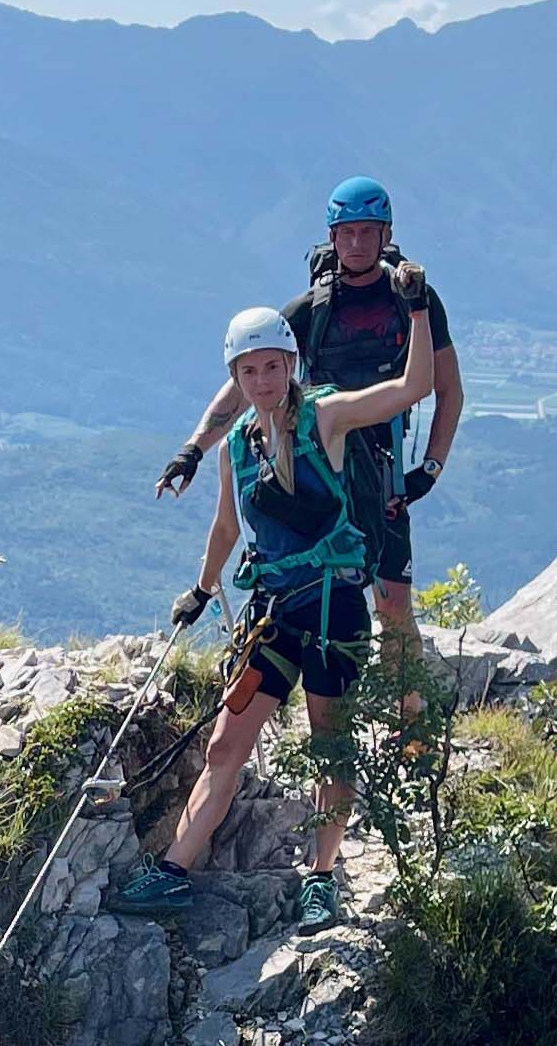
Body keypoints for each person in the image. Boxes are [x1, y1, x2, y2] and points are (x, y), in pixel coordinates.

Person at [109, 300, 435, 934]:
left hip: (335, 610)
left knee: (328, 744)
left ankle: (320, 876)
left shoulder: (328, 418)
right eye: (248, 371)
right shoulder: (237, 445)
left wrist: (417, 311)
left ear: (291, 364)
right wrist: (201, 591)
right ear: (236, 378)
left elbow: (412, 387)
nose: (261, 381)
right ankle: (174, 872)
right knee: (227, 742)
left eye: (271, 367)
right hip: (276, 614)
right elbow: (228, 526)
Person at [162, 176, 464, 690]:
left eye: (367, 232)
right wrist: (193, 450)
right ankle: (327, 700)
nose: (356, 244)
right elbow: (245, 380)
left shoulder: (415, 302)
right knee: (316, 580)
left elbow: (444, 390)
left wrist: (430, 468)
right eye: (346, 233)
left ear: (386, 233)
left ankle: (405, 722)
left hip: (383, 470)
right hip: (322, 465)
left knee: (392, 601)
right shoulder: (310, 310)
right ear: (331, 236)